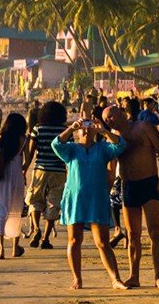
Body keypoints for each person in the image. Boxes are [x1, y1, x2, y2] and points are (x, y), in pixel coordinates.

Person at [52, 113, 128, 290]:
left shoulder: (102, 149)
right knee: (74, 240)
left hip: (97, 199)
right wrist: (72, 128)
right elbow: (56, 144)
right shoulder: (71, 149)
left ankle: (115, 279)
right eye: (83, 127)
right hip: (75, 200)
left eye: (89, 126)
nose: (86, 130)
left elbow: (120, 145)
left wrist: (103, 130)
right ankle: (77, 278)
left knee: (102, 242)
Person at [102, 100, 159, 289]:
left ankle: (158, 276)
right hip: (128, 186)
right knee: (132, 235)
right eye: (107, 119)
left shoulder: (143, 126)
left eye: (113, 114)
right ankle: (134, 275)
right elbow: (110, 163)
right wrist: (107, 187)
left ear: (122, 113)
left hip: (149, 183)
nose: (111, 120)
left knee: (154, 231)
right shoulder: (113, 136)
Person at [24, 100, 68, 250]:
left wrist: (25, 168)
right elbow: (69, 153)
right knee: (53, 204)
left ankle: (36, 229)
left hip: (40, 169)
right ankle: (45, 239)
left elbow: (30, 152)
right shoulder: (64, 130)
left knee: (35, 201)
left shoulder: (38, 128)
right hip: (59, 171)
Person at [0, 113, 29, 259]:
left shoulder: (1, 140)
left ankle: (1, 249)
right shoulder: (24, 139)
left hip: (3, 176)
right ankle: (15, 248)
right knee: (16, 209)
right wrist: (21, 170)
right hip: (17, 177)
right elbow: (27, 160)